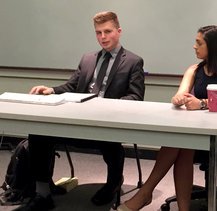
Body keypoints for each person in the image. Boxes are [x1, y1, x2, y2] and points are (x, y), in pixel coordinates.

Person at [14, 11, 145, 211]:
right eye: (98, 32)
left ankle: (113, 185)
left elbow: (136, 97)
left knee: (113, 145)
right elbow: (71, 87)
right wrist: (50, 90)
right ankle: (42, 194)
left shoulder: (133, 61)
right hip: (78, 120)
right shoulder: (87, 59)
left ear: (118, 32)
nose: (103, 37)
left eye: (108, 31)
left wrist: (104, 106)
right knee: (38, 133)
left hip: (107, 123)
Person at [117, 25, 217, 211]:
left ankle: (145, 193)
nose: (194, 46)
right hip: (196, 128)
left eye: (199, 43)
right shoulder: (194, 70)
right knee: (182, 144)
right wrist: (178, 99)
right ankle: (173, 205)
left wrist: (201, 103)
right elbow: (180, 94)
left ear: (213, 46)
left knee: (181, 144)